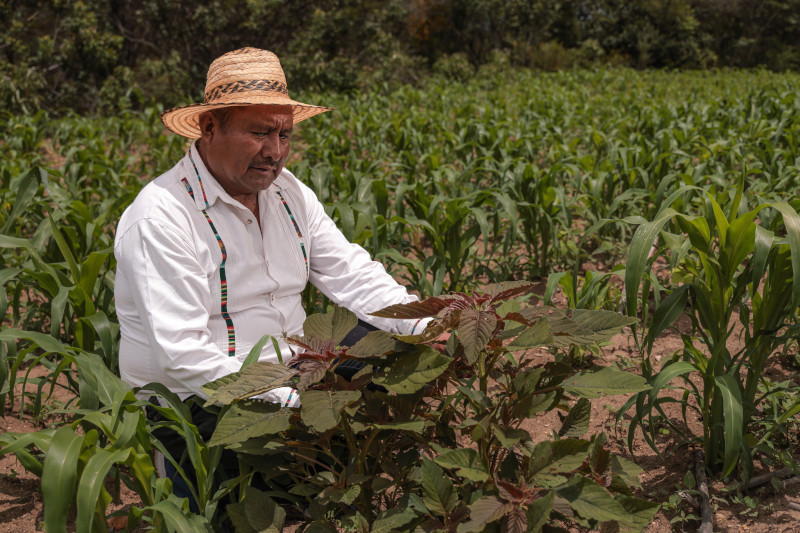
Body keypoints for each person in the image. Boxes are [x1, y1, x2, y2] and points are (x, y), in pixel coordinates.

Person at [113, 47, 427, 504]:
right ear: (210, 127)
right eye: (259, 132)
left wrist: (426, 325)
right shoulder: (161, 217)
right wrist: (289, 400)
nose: (275, 152)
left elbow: (352, 273)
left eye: (284, 133)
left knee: (397, 349)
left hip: (291, 371)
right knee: (233, 508)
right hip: (203, 397)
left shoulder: (288, 194)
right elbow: (182, 354)